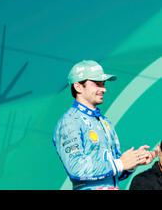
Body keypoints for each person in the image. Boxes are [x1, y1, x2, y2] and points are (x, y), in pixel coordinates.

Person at [53, 60, 155, 190]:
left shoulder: (104, 121)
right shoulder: (70, 121)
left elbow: (116, 173)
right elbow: (76, 168)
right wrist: (120, 163)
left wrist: (133, 161)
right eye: (97, 84)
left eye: (103, 84)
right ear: (78, 87)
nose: (104, 89)